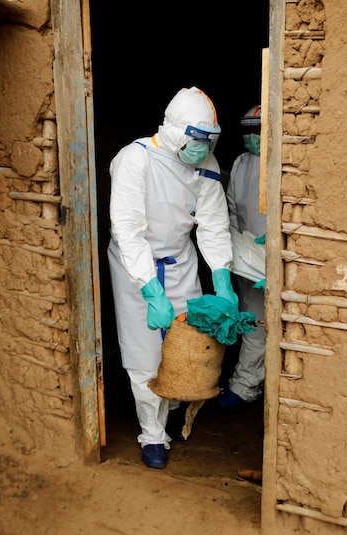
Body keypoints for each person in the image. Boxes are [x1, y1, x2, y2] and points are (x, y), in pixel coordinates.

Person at [107, 86, 239, 469]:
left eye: (211, 141)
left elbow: (213, 225)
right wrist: (151, 291)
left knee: (187, 346)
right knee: (144, 355)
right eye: (198, 140)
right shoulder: (135, 160)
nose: (204, 148)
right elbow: (127, 230)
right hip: (136, 266)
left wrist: (223, 281)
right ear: (177, 130)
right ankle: (152, 434)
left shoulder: (207, 165)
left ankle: (176, 401)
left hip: (180, 261)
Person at [217, 104, 266, 410]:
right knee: (253, 321)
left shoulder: (284, 163)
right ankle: (244, 386)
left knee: (281, 329)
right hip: (249, 259)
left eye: (257, 132)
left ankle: (265, 392)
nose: (252, 138)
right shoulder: (241, 163)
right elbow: (233, 210)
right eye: (247, 132)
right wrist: (239, 251)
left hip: (279, 259)